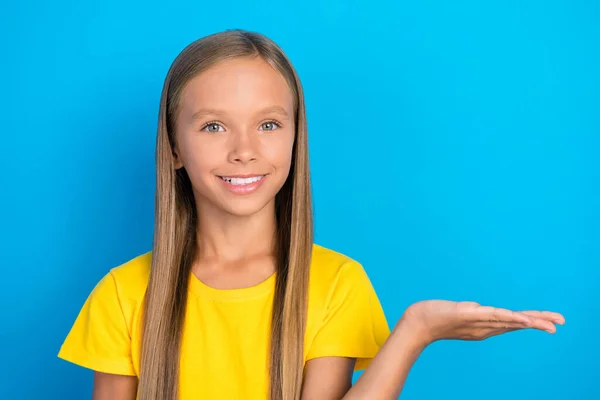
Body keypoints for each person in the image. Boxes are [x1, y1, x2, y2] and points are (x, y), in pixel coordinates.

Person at [57, 29, 565, 400]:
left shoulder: (337, 284)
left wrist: (416, 330)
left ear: (296, 138)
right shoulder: (123, 295)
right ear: (173, 146)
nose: (244, 151)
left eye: (270, 124)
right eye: (214, 127)